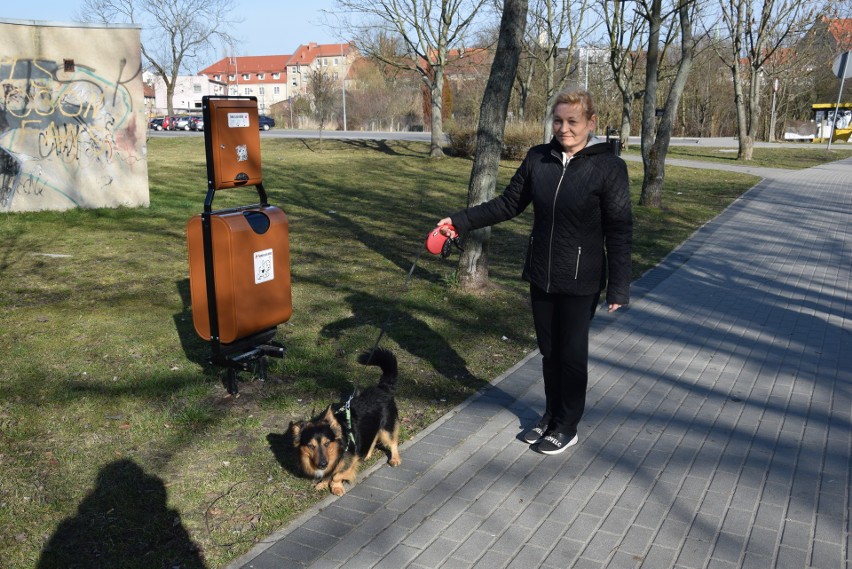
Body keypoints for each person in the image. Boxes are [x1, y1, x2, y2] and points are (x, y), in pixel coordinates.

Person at [437, 89, 632, 455]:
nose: (564, 128)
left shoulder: (609, 167)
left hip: (582, 277)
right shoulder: (538, 158)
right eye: (558, 121)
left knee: (571, 354)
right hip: (542, 271)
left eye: (573, 121)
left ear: (591, 123)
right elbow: (509, 203)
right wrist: (460, 221)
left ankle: (567, 424)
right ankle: (551, 414)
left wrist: (619, 287)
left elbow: (619, 229)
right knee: (549, 351)